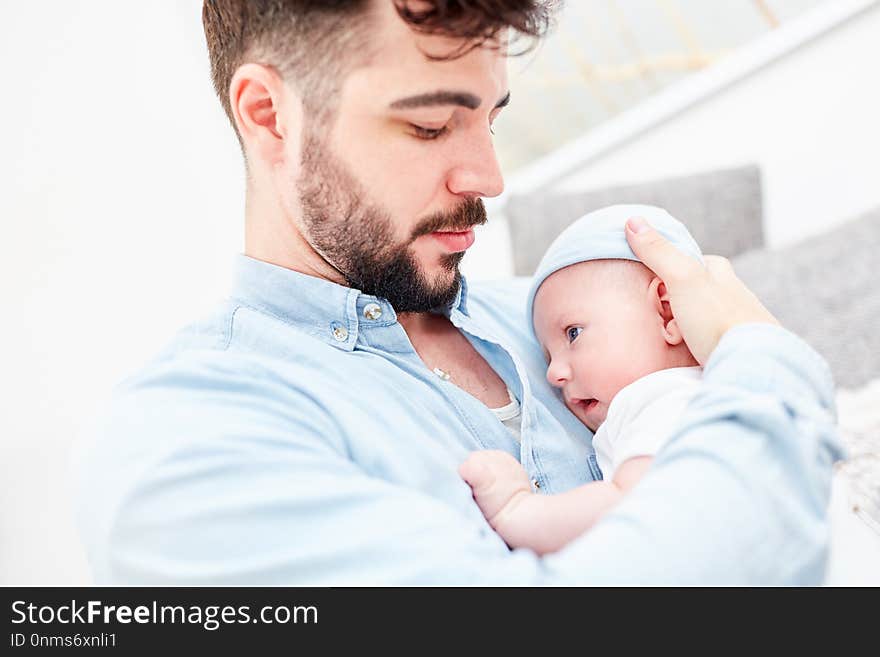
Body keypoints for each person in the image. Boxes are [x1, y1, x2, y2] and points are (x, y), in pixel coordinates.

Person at [74, 0, 841, 584]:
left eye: (489, 119)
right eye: (433, 126)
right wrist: (765, 357)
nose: (489, 179)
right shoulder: (185, 450)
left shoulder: (557, 315)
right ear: (269, 114)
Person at [460, 205, 710, 555]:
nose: (553, 373)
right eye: (547, 356)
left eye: (573, 333)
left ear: (666, 312)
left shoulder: (668, 400)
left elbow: (635, 507)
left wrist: (517, 511)